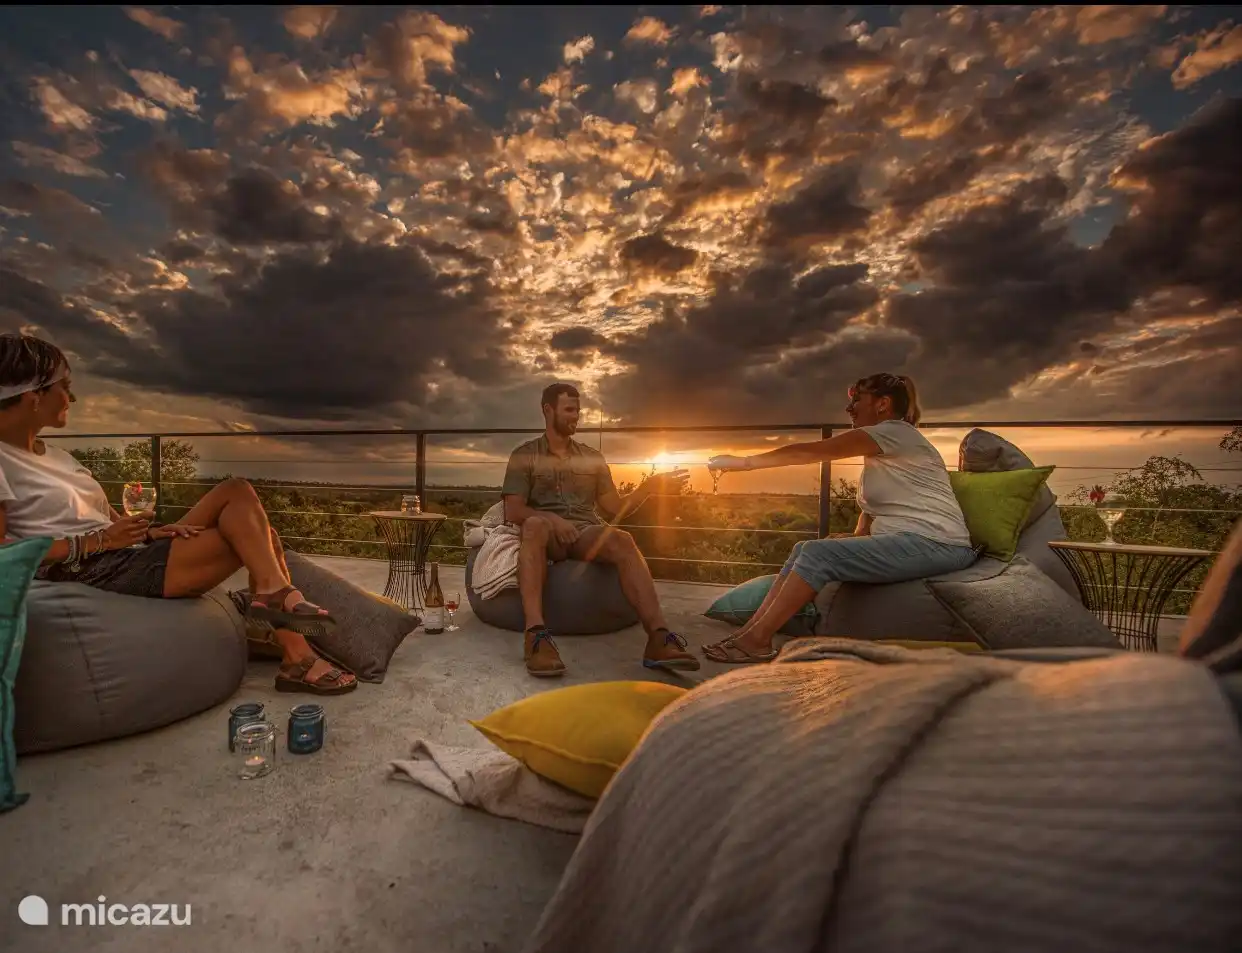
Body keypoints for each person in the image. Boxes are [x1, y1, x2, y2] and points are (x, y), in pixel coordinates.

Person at [0, 333, 356, 695]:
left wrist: (147, 531)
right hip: (86, 566)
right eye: (65, 387)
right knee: (251, 542)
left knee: (236, 492)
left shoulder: (59, 457)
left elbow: (107, 519)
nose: (71, 398)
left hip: (119, 549)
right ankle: (295, 646)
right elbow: (5, 554)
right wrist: (99, 541)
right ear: (33, 395)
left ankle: (276, 602)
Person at [702, 372, 978, 663]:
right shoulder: (885, 448)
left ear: (882, 404)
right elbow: (873, 509)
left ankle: (756, 642)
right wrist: (857, 538)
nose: (849, 409)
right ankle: (750, 631)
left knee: (818, 555)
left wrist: (744, 463)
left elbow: (811, 452)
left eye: (857, 400)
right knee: (803, 549)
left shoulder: (894, 431)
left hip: (938, 545)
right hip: (916, 542)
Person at [501, 382, 700, 677]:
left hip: (584, 531)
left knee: (622, 539)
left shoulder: (593, 458)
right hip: (545, 532)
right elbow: (513, 511)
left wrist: (648, 487)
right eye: (569, 410)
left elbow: (613, 508)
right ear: (547, 410)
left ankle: (659, 638)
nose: (576, 417)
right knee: (532, 525)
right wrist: (553, 521)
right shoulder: (524, 455)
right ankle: (537, 637)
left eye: (578, 411)